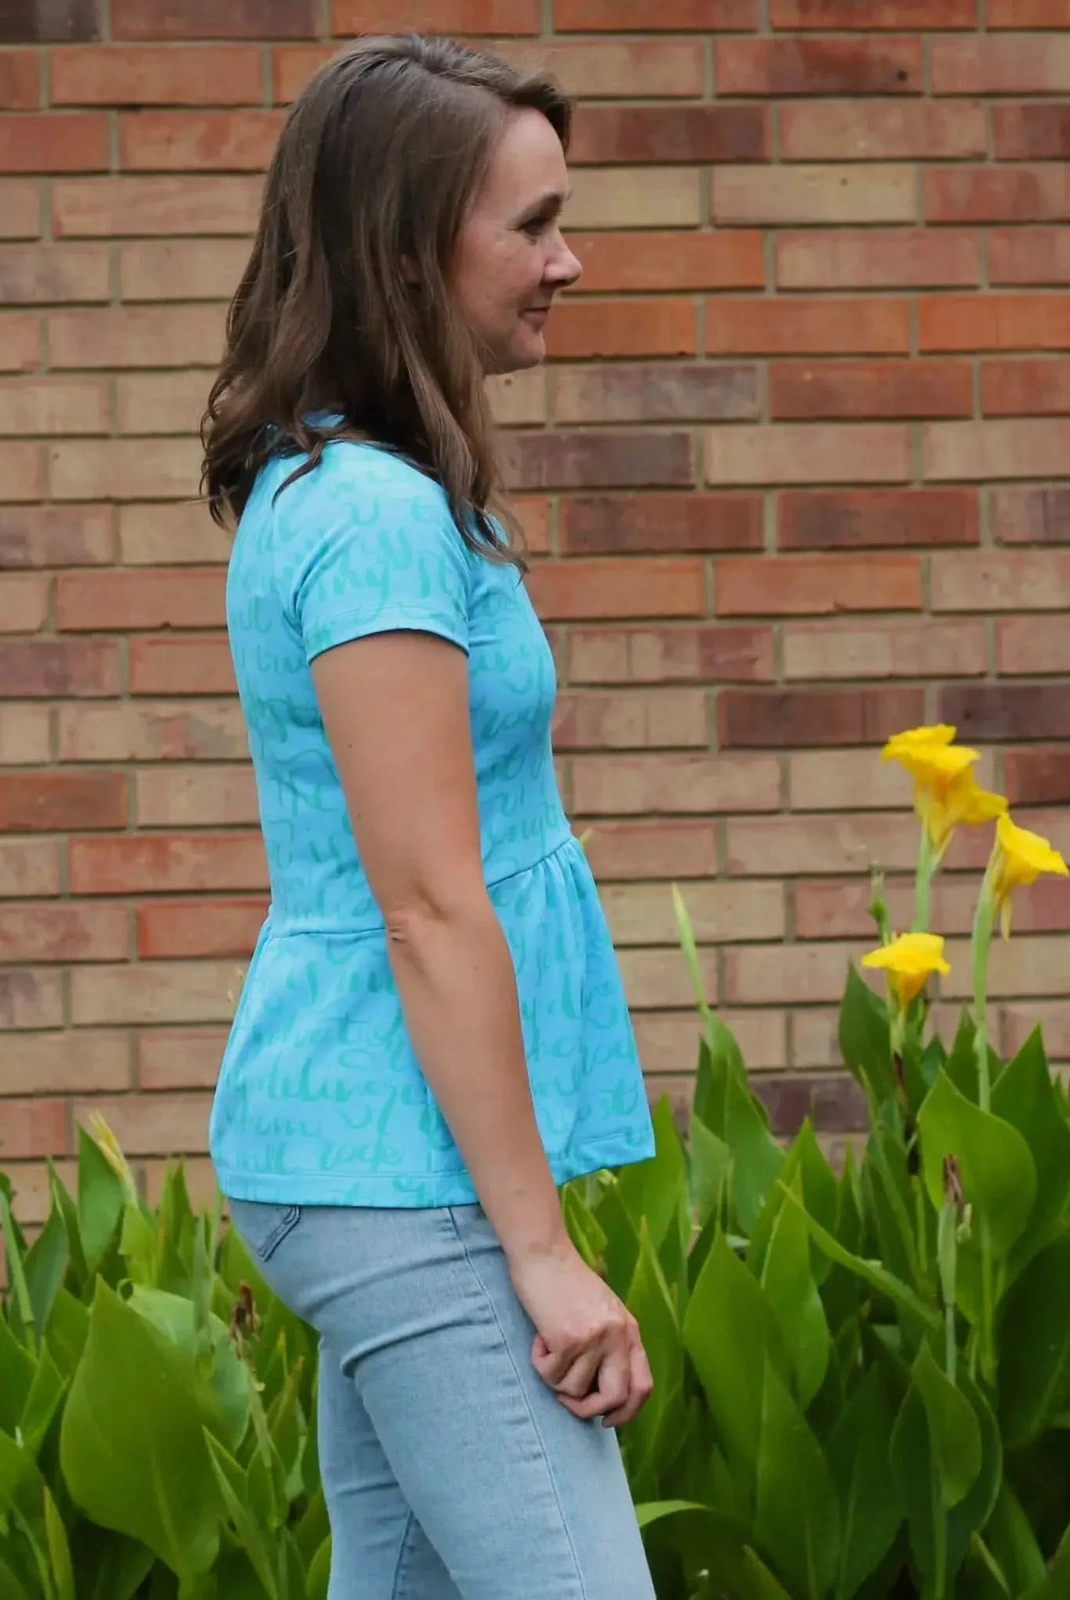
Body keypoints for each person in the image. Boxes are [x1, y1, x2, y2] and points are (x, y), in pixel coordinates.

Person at [200, 32, 659, 1600]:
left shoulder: (357, 483)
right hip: (400, 1171)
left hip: (385, 1151)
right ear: (409, 248)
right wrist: (537, 1250)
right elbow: (429, 902)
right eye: (530, 227)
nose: (567, 261)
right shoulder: (378, 519)